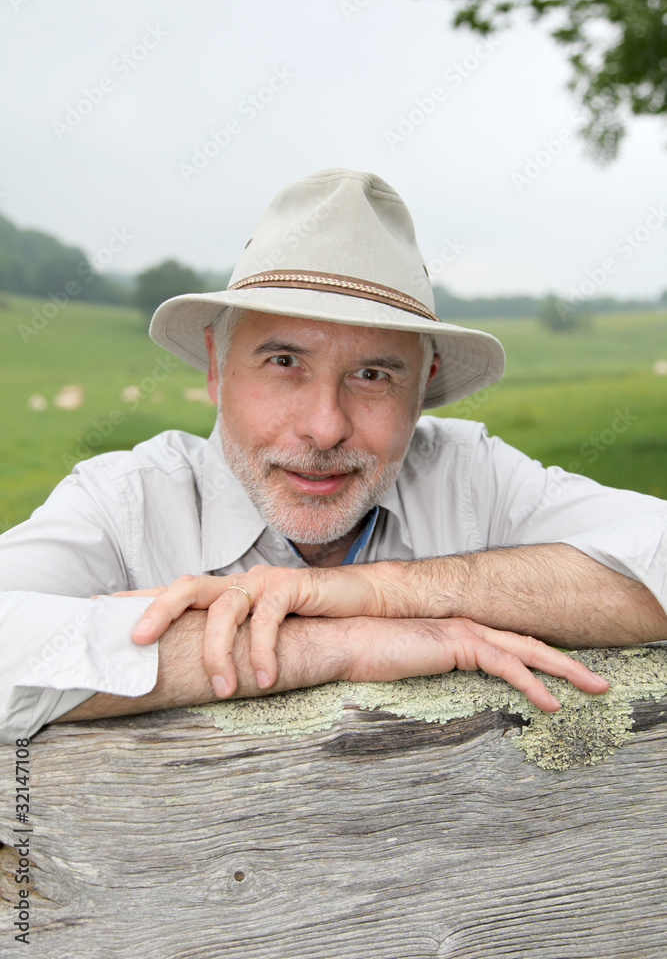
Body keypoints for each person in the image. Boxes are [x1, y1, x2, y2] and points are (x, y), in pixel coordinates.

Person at [1, 167, 665, 743]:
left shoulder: (474, 478)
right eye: (284, 361)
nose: (324, 429)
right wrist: (329, 642)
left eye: (373, 375)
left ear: (423, 385)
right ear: (215, 364)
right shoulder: (128, 502)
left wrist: (380, 592)